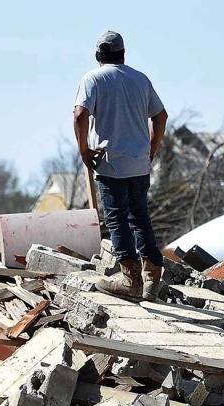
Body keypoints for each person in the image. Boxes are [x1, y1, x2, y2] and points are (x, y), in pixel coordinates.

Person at [73, 30, 168, 300]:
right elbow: (160, 116)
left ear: (98, 55)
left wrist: (83, 150)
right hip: (139, 164)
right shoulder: (140, 79)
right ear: (123, 54)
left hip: (110, 163)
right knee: (140, 217)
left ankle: (131, 281)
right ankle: (152, 279)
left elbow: (80, 115)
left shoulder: (92, 79)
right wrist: (151, 149)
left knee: (117, 220)